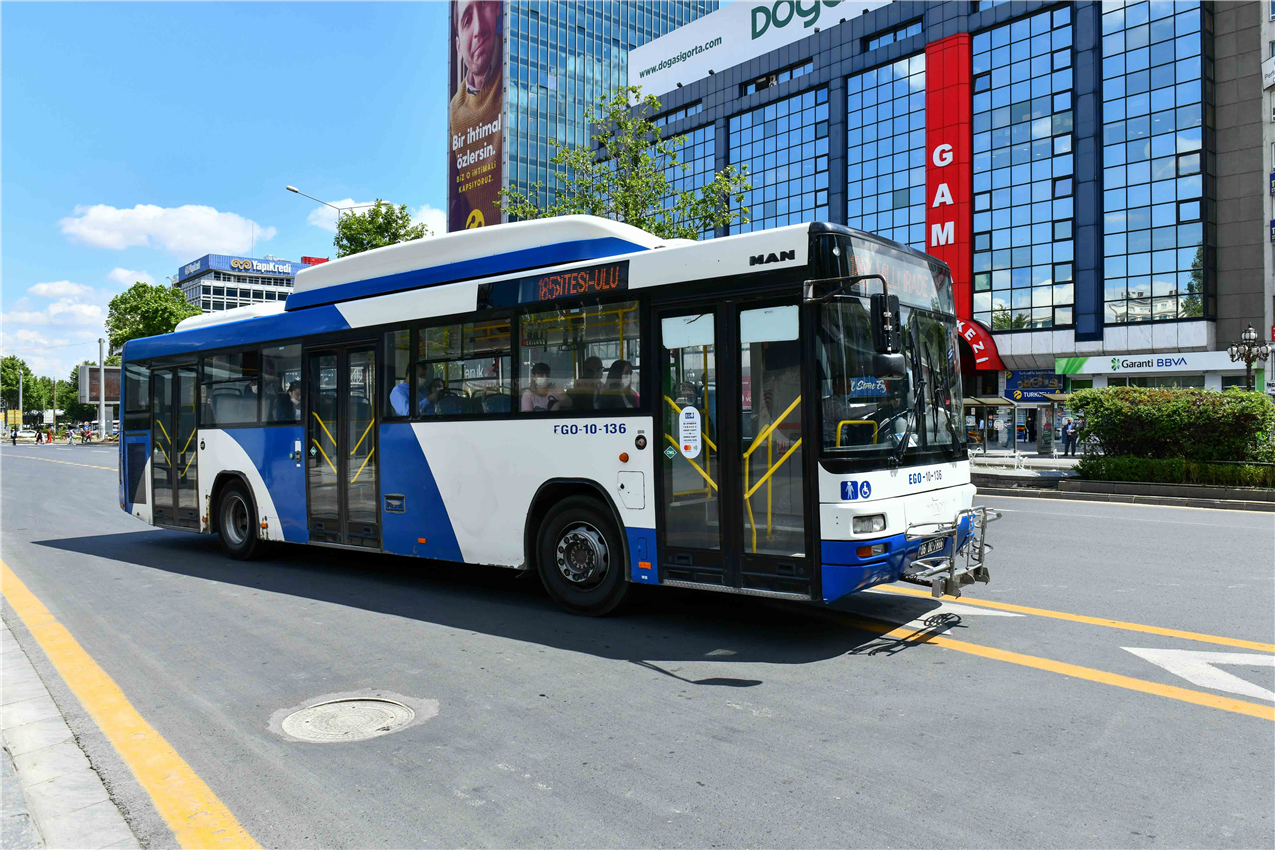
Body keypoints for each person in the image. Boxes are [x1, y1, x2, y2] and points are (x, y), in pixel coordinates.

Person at [448, 0, 503, 231]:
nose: (479, 29)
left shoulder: (517, 68)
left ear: (497, 7)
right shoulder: (456, 108)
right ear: (458, 46)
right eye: (467, 20)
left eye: (484, 5)